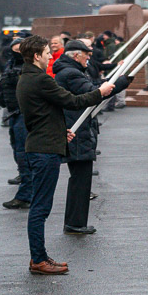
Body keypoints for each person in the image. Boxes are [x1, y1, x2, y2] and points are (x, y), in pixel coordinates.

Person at [16, 34, 122, 275]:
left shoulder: (27, 77)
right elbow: (72, 101)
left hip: (43, 144)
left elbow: (41, 115)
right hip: (44, 151)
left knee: (40, 206)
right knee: (40, 208)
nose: (49, 56)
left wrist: (59, 132)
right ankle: (38, 259)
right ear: (36, 56)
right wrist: (101, 92)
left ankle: (40, 256)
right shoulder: (40, 79)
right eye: (46, 53)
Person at [54, 40, 101, 236]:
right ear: (75, 55)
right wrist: (118, 84)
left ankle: (75, 221)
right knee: (81, 180)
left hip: (77, 128)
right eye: (85, 54)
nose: (89, 57)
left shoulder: (69, 71)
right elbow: (92, 93)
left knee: (80, 179)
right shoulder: (71, 73)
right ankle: (75, 222)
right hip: (77, 130)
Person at [1, 38, 33, 209]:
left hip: (23, 114)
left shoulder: (28, 68)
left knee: (24, 153)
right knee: (17, 150)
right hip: (14, 112)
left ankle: (26, 194)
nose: (17, 52)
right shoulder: (11, 64)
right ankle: (26, 187)